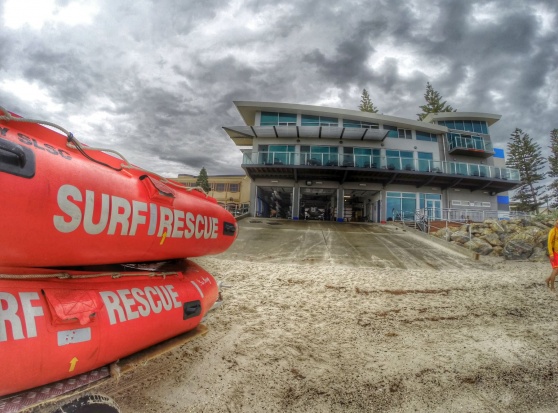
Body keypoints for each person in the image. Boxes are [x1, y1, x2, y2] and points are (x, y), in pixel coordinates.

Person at [546, 220, 558, 290]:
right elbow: (549, 243)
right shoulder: (553, 231)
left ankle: (548, 279)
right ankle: (552, 287)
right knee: (556, 269)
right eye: (557, 223)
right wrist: (551, 254)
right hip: (554, 253)